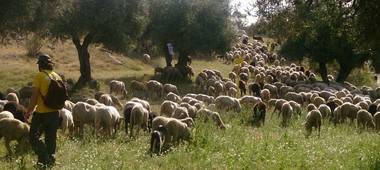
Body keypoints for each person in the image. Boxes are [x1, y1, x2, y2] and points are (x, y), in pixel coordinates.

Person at [26, 53, 62, 168]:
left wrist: (28, 111)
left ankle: (44, 157)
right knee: (51, 138)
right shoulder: (56, 76)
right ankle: (49, 161)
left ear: (40, 65)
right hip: (55, 113)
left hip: (42, 113)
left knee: (33, 137)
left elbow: (34, 97)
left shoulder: (39, 76)